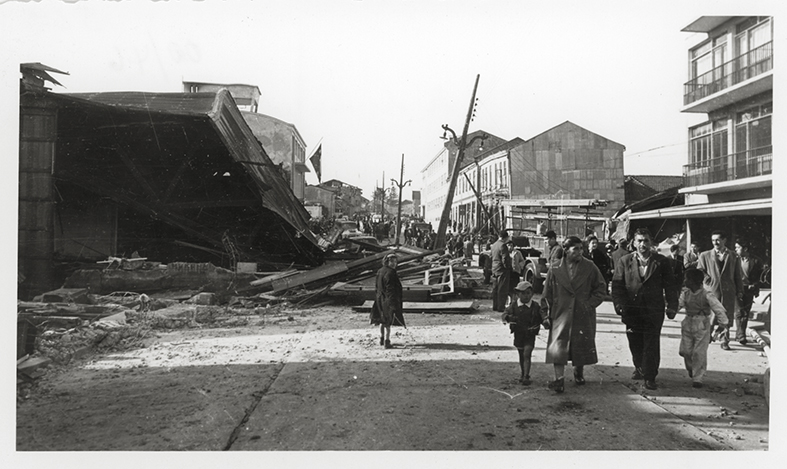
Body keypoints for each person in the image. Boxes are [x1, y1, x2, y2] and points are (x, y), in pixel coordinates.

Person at [611, 227, 679, 391]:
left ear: (651, 243)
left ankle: (650, 376)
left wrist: (672, 306)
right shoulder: (625, 261)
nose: (643, 244)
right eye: (639, 241)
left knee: (651, 343)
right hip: (632, 310)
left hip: (653, 310)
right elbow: (617, 285)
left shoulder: (662, 261)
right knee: (635, 342)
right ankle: (639, 366)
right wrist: (619, 304)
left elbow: (670, 287)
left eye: (646, 241)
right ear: (633, 243)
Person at [541, 236, 607, 393]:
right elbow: (546, 294)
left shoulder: (590, 267)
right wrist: (544, 314)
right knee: (558, 347)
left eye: (581, 248)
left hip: (582, 313)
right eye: (575, 249)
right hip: (559, 314)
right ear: (566, 250)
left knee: (580, 344)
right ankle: (559, 380)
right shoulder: (555, 268)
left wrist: (589, 304)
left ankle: (579, 372)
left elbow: (601, 288)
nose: (580, 252)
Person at [676, 268, 728, 388]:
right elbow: (679, 304)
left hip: (702, 324)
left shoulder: (707, 295)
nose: (685, 281)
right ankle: (691, 369)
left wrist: (722, 323)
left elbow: (719, 309)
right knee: (685, 351)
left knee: (699, 352)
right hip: (688, 322)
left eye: (687, 278)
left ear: (694, 281)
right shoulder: (686, 293)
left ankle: (697, 377)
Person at [697, 230, 743, 351]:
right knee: (711, 317)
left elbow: (737, 275)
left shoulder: (733, 255)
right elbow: (699, 270)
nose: (715, 242)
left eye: (718, 240)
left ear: (724, 240)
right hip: (712, 290)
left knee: (726, 317)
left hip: (728, 291)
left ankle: (724, 341)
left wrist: (739, 290)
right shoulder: (705, 255)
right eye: (713, 240)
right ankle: (707, 338)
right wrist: (707, 278)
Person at [502, 281, 547, 385]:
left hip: (530, 334)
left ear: (532, 294)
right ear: (518, 294)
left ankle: (526, 375)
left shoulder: (535, 306)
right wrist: (508, 318)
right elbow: (504, 315)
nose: (526, 296)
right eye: (523, 293)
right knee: (521, 354)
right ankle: (523, 373)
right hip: (519, 334)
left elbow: (542, 316)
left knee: (527, 353)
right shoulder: (514, 306)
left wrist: (545, 321)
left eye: (528, 293)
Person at [370, 252, 406, 349]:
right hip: (388, 300)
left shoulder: (380, 271)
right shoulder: (391, 272)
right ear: (387, 262)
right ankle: (387, 341)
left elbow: (377, 287)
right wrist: (393, 303)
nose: (394, 264)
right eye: (392, 261)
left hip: (379, 299)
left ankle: (381, 339)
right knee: (388, 322)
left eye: (395, 261)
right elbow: (390, 289)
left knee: (382, 320)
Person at [734, 238, 763, 346]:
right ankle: (741, 335)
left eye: (738, 247)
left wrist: (755, 285)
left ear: (745, 248)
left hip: (749, 289)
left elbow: (761, 277)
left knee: (745, 313)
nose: (735, 249)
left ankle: (740, 335)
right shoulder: (734, 259)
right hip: (737, 289)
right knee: (738, 312)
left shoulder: (756, 261)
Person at [490, 230, 512, 312]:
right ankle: (501, 307)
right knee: (502, 289)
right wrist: (508, 268)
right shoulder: (503, 246)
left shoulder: (494, 245)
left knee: (495, 288)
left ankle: (495, 306)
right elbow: (505, 259)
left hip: (494, 269)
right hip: (502, 270)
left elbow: (491, 257)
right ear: (505, 238)